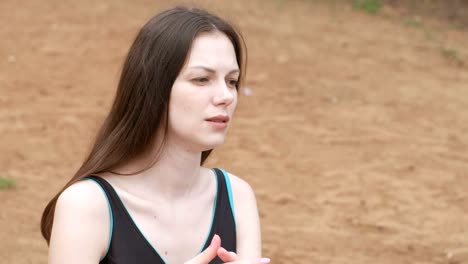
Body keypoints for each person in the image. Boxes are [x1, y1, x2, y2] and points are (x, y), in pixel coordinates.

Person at [40, 6, 270, 264]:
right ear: (153, 87)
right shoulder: (86, 205)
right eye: (202, 79)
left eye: (231, 81)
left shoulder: (237, 196)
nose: (226, 96)